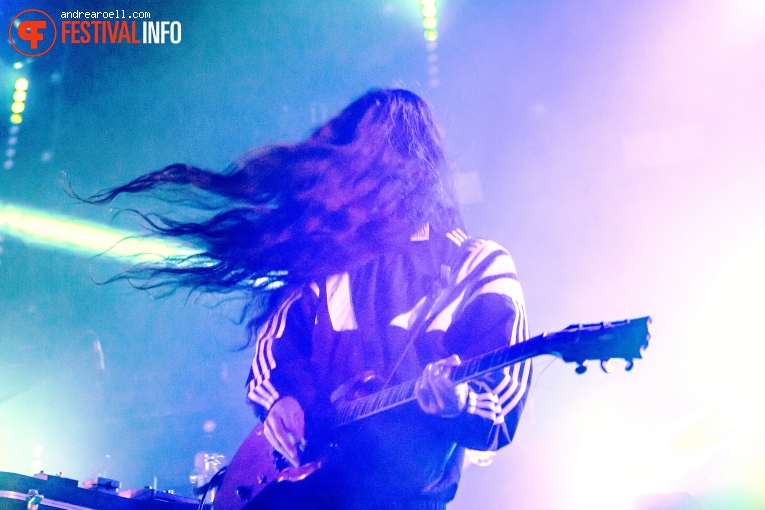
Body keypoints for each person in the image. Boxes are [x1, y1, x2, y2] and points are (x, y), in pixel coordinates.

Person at [86, 89, 531, 509]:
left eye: (364, 164)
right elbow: (272, 349)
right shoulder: (333, 265)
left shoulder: (477, 264)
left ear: (404, 171)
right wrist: (282, 401)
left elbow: (504, 398)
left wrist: (460, 403)